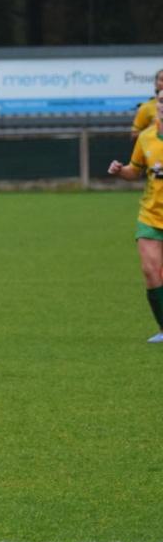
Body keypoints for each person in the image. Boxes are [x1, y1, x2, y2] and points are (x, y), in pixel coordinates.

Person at [109, 88, 163, 343]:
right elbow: (135, 170)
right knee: (151, 272)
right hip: (151, 216)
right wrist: (121, 171)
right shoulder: (146, 138)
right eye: (161, 101)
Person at [131, 69, 163, 139]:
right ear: (155, 83)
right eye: (162, 79)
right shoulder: (146, 107)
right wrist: (152, 132)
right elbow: (134, 135)